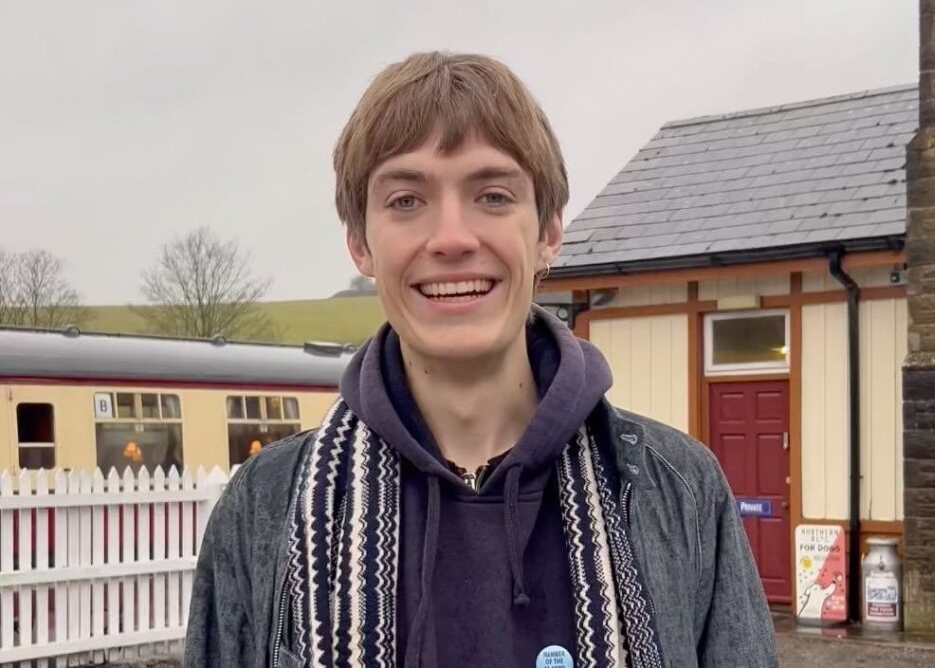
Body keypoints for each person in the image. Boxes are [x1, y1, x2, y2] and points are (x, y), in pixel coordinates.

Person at [184, 51, 779, 668]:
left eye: (492, 196)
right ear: (359, 242)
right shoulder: (267, 507)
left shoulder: (676, 490)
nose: (452, 238)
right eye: (406, 201)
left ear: (548, 231)